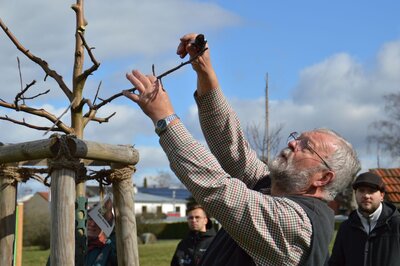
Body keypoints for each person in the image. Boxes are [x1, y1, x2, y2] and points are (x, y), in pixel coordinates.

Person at [123, 33, 361, 265]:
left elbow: (220, 190)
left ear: (323, 178)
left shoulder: (298, 223)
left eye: (306, 147)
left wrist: (165, 118)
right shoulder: (270, 189)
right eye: (297, 138)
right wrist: (205, 71)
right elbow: (232, 146)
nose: (292, 143)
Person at [329, 172, 400, 266]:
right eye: (361, 190)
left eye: (371, 191)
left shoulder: (397, 224)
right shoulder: (346, 228)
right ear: (355, 193)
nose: (366, 195)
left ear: (382, 195)